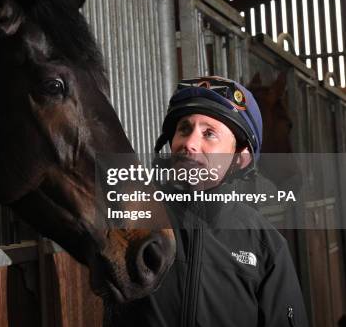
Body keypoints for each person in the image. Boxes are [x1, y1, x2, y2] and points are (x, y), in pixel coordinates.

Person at [108, 76, 309, 327]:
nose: (189, 143)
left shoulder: (266, 246)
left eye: (209, 134)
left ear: (240, 158)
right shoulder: (136, 222)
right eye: (184, 129)